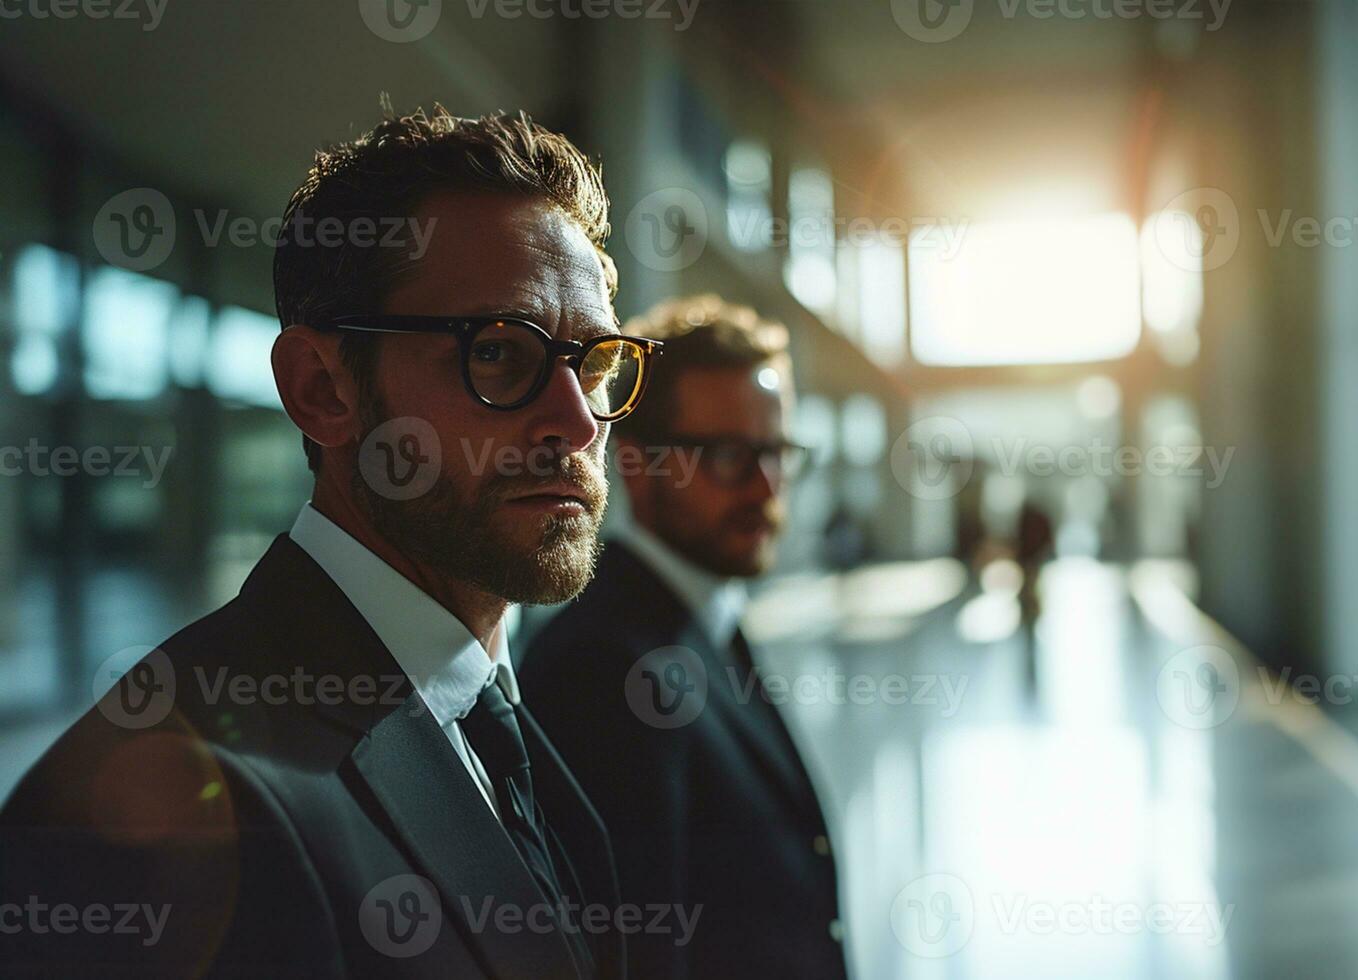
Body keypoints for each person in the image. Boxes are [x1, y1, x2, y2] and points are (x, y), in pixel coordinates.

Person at [0, 104, 664, 978]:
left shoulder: (494, 716)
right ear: (320, 389)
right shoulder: (143, 811)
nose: (576, 423)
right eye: (500, 355)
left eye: (595, 365)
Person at [520, 295, 848, 979]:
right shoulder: (602, 668)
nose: (765, 487)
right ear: (637, 466)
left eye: (776, 452)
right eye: (730, 455)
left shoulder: (702, 616)